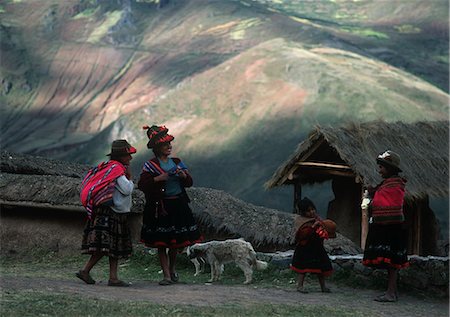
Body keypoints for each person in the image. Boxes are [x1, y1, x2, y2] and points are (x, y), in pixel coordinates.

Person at [138, 125, 202, 285]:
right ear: (158, 148)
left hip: (179, 205)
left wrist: (183, 176)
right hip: (161, 208)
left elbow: (189, 183)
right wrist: (158, 179)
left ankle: (172, 270)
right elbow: (142, 184)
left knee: (175, 243)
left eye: (169, 144)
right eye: (165, 145)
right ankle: (166, 275)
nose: (169, 147)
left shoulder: (177, 162)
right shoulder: (151, 165)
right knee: (162, 243)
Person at [77, 139, 136, 287]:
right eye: (128, 155)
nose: (130, 158)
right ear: (121, 156)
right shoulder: (117, 170)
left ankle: (113, 277)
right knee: (105, 246)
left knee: (112, 247)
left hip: (109, 211)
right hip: (111, 213)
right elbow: (127, 189)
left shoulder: (109, 167)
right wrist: (130, 177)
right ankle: (85, 270)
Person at [363, 150, 408, 302]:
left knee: (392, 262)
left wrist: (372, 197)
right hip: (388, 227)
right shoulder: (387, 184)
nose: (379, 170)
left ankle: (390, 293)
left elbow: (387, 203)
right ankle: (392, 292)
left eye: (382, 167)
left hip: (391, 228)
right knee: (391, 263)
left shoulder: (395, 185)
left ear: (390, 169)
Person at [291, 197, 334, 293]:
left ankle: (323, 287)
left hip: (317, 247)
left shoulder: (317, 219)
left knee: (321, 269)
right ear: (303, 212)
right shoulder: (300, 221)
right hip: (305, 248)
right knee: (303, 268)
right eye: (308, 211)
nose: (312, 212)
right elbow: (302, 234)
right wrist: (313, 227)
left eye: (312, 209)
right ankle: (300, 286)